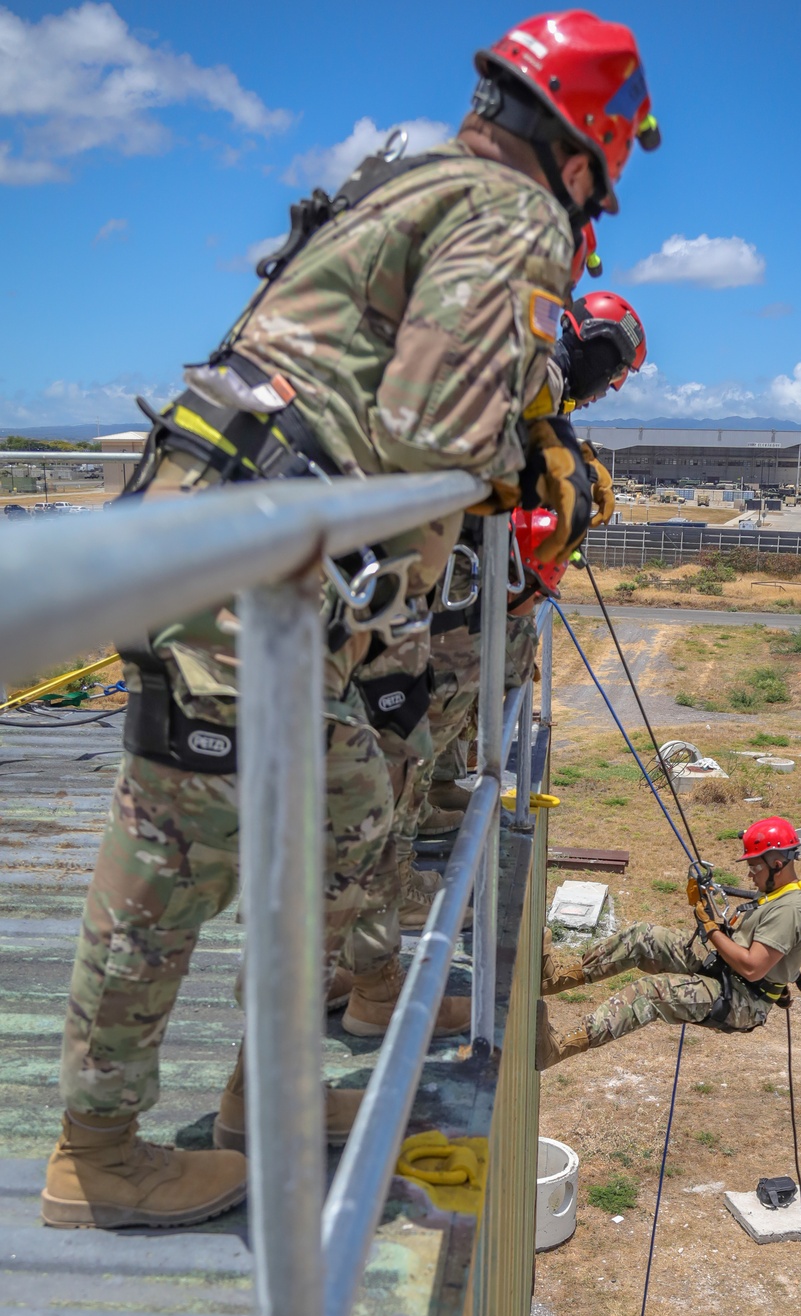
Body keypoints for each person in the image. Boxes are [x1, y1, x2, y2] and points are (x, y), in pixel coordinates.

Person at [41, 10, 659, 1229]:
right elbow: (435, 430)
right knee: (192, 856)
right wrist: (513, 451)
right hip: (245, 567)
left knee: (296, 836)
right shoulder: (515, 212)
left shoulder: (420, 179)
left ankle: (245, 1099)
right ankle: (101, 1157)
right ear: (589, 144)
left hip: (241, 541)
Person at [420, 287, 646, 840]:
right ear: (596, 347)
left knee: (467, 678)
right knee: (449, 679)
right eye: (615, 373)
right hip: (455, 551)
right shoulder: (541, 371)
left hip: (468, 549)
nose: (609, 390)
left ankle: (436, 782)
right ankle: (415, 810)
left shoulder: (552, 381)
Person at [536, 818, 801, 1069]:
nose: (750, 874)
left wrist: (712, 930)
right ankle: (557, 978)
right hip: (728, 972)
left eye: (755, 867)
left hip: (742, 997)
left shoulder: (790, 908)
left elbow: (751, 967)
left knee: (648, 993)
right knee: (643, 937)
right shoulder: (779, 894)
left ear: (778, 863)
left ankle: (559, 1048)